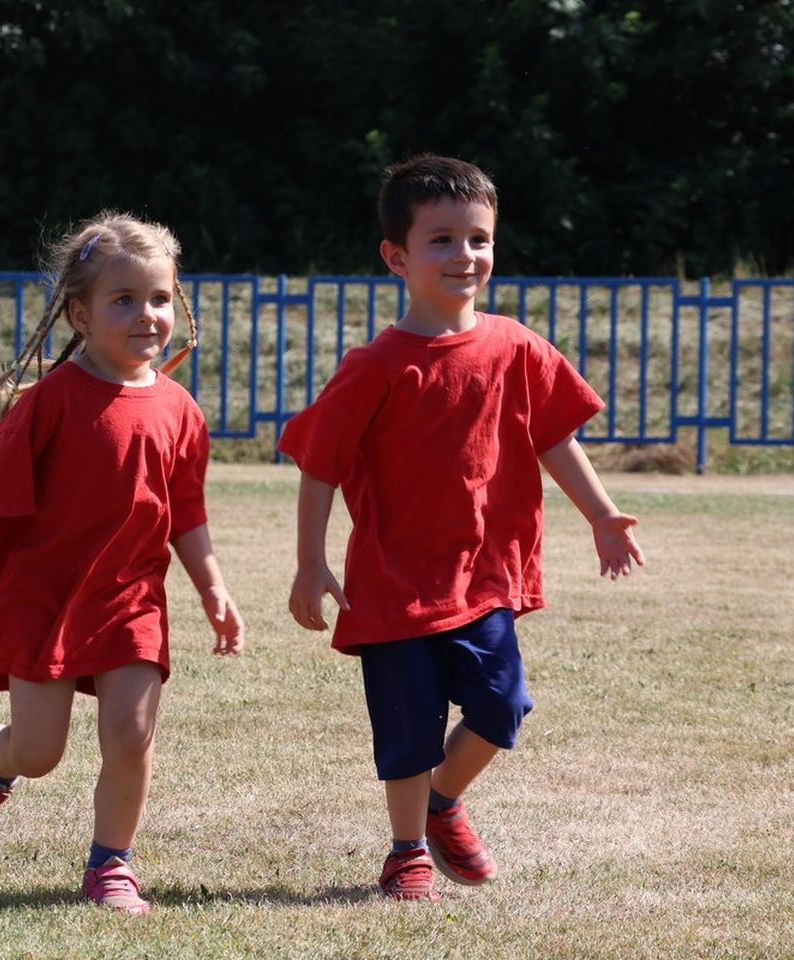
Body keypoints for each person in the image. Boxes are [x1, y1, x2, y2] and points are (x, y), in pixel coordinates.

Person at [280, 155, 645, 901]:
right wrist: (310, 561)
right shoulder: (374, 367)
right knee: (408, 725)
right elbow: (318, 462)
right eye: (441, 239)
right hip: (392, 582)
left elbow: (554, 439)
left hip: (483, 578)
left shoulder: (516, 347)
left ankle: (444, 802)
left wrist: (603, 515)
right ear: (397, 256)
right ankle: (407, 850)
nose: (464, 255)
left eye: (477, 239)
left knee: (502, 706)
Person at [0, 212, 245, 915]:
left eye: (159, 298)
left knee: (131, 735)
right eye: (122, 300)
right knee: (41, 752)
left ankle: (111, 865)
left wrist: (214, 589)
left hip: (130, 599)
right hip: (44, 598)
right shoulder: (52, 400)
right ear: (81, 312)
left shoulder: (181, 411)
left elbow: (186, 513)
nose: (146, 314)